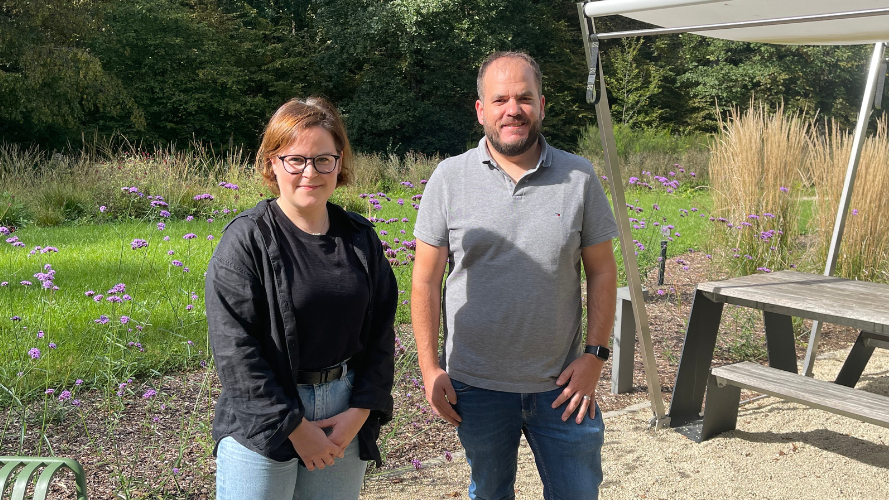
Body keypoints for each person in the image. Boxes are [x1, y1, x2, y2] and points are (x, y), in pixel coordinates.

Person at [411, 51, 619, 500]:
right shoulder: (449, 179)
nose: (513, 110)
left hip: (563, 387)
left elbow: (603, 272)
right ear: (481, 109)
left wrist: (595, 358)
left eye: (524, 98)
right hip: (476, 386)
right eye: (500, 99)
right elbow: (425, 280)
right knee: (489, 493)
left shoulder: (578, 176)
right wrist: (430, 368)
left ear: (541, 105)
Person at [206, 96, 397, 500]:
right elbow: (235, 353)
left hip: (343, 411)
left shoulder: (360, 238)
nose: (309, 172)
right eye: (295, 159)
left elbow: (381, 333)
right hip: (264, 417)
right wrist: (293, 426)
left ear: (339, 162)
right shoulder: (246, 241)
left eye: (323, 159)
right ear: (273, 163)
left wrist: (361, 411)